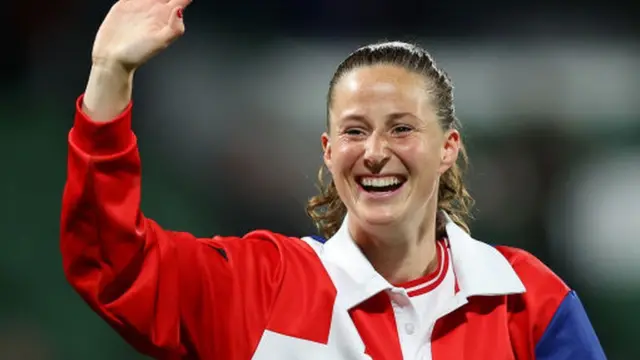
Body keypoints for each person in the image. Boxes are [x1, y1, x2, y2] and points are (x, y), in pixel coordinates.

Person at [60, 0, 607, 359]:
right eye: (354, 131)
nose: (374, 153)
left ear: (447, 150)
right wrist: (110, 72)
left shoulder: (525, 302)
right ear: (328, 151)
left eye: (400, 129)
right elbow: (113, 262)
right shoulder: (263, 287)